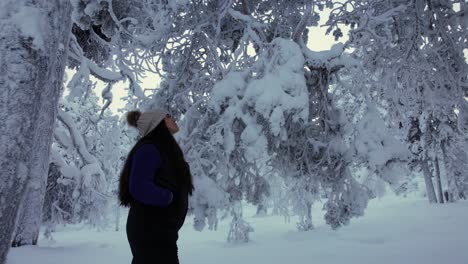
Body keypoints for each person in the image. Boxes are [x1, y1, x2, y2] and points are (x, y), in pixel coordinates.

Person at [118, 109, 194, 264]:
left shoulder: (162, 149)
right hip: (150, 229)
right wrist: (168, 197)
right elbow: (139, 186)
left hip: (159, 229)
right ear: (157, 123)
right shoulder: (150, 148)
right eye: (168, 116)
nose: (173, 118)